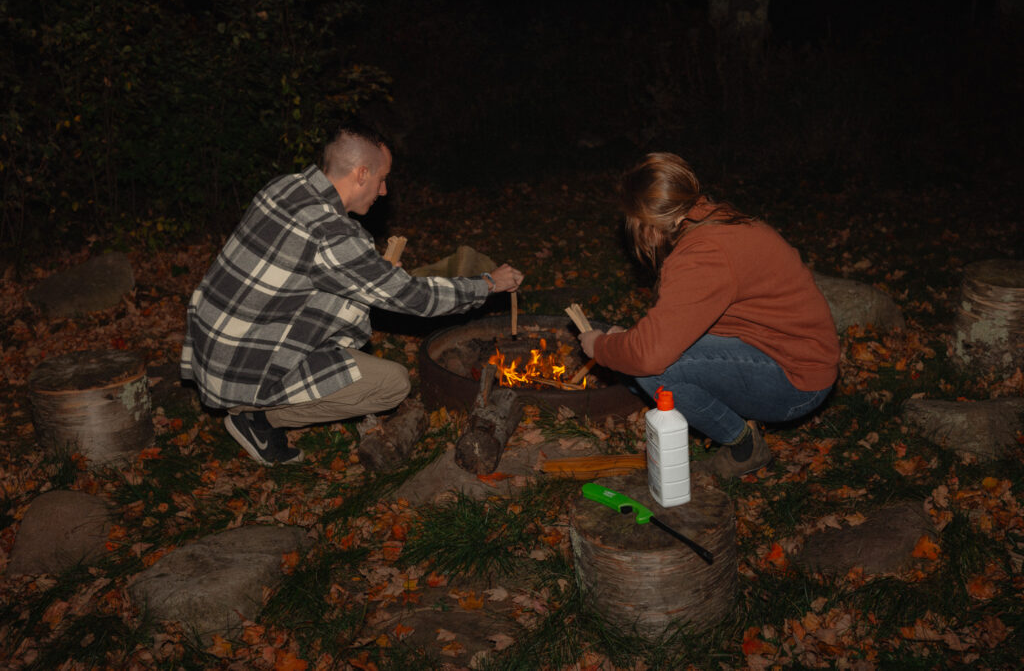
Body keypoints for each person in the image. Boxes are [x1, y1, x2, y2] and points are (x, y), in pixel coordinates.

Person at [181, 125, 523, 465]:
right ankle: (256, 419)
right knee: (392, 384)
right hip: (240, 367)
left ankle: (250, 402)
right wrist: (487, 284)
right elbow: (416, 298)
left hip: (211, 345)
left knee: (350, 311)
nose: (385, 190)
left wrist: (373, 273)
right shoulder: (333, 234)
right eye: (382, 178)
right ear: (361, 173)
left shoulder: (286, 187)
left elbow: (313, 271)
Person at [579, 153, 839, 478]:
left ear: (647, 223)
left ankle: (744, 445)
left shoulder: (703, 255)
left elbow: (650, 356)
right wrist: (625, 342)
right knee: (644, 349)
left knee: (654, 369)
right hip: (782, 352)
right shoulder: (714, 219)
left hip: (797, 382)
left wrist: (601, 346)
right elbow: (676, 321)